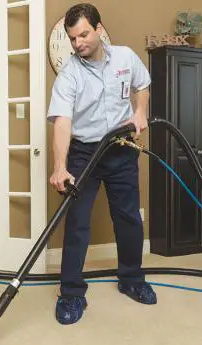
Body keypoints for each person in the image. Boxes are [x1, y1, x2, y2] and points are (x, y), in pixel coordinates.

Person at [47, 3, 157, 325]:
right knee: (78, 222)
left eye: (83, 34)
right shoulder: (69, 75)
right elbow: (63, 122)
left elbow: (143, 84)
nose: (78, 43)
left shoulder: (124, 57)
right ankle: (70, 294)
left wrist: (140, 112)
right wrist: (59, 166)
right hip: (84, 153)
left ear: (98, 29)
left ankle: (132, 280)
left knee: (128, 218)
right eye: (72, 38)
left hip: (121, 149)